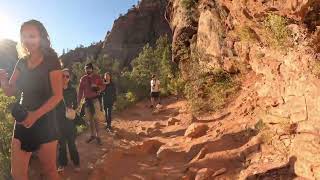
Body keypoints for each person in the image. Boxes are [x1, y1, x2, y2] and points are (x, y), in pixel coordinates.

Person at [0, 20, 62, 180]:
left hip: (45, 121)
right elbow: (10, 91)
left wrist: (35, 115)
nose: (28, 41)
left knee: (49, 171)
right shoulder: (21, 62)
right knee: (17, 174)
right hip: (22, 120)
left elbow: (57, 96)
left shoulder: (52, 60)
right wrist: (3, 82)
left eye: (32, 36)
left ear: (41, 36)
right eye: (24, 37)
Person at [57, 69, 80, 172]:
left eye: (67, 76)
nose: (65, 78)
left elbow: (76, 103)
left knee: (71, 143)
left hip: (69, 120)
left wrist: (72, 108)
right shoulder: (56, 89)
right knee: (61, 144)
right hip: (58, 120)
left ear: (69, 78)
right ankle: (62, 163)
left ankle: (76, 163)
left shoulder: (72, 90)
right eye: (63, 76)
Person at [78, 63, 105, 145]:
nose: (87, 70)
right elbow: (80, 91)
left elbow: (103, 86)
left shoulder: (97, 77)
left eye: (89, 68)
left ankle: (98, 136)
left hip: (95, 100)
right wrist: (78, 102)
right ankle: (92, 135)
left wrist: (97, 87)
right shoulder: (83, 78)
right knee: (89, 120)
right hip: (87, 101)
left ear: (92, 69)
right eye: (86, 69)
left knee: (96, 119)